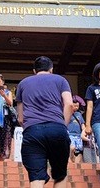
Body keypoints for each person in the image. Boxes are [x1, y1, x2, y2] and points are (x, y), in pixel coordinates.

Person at [16, 56, 73, 188]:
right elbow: (69, 104)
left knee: (36, 178)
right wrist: (62, 126)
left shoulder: (23, 83)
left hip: (32, 131)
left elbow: (20, 118)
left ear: (34, 71)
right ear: (51, 69)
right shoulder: (61, 80)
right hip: (57, 128)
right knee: (60, 175)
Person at [67, 96, 88, 163]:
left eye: (77, 106)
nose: (76, 107)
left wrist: (84, 131)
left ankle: (76, 163)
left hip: (78, 136)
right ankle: (71, 157)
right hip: (70, 134)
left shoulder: (79, 114)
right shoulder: (67, 114)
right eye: (74, 106)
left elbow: (82, 124)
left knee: (79, 151)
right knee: (71, 148)